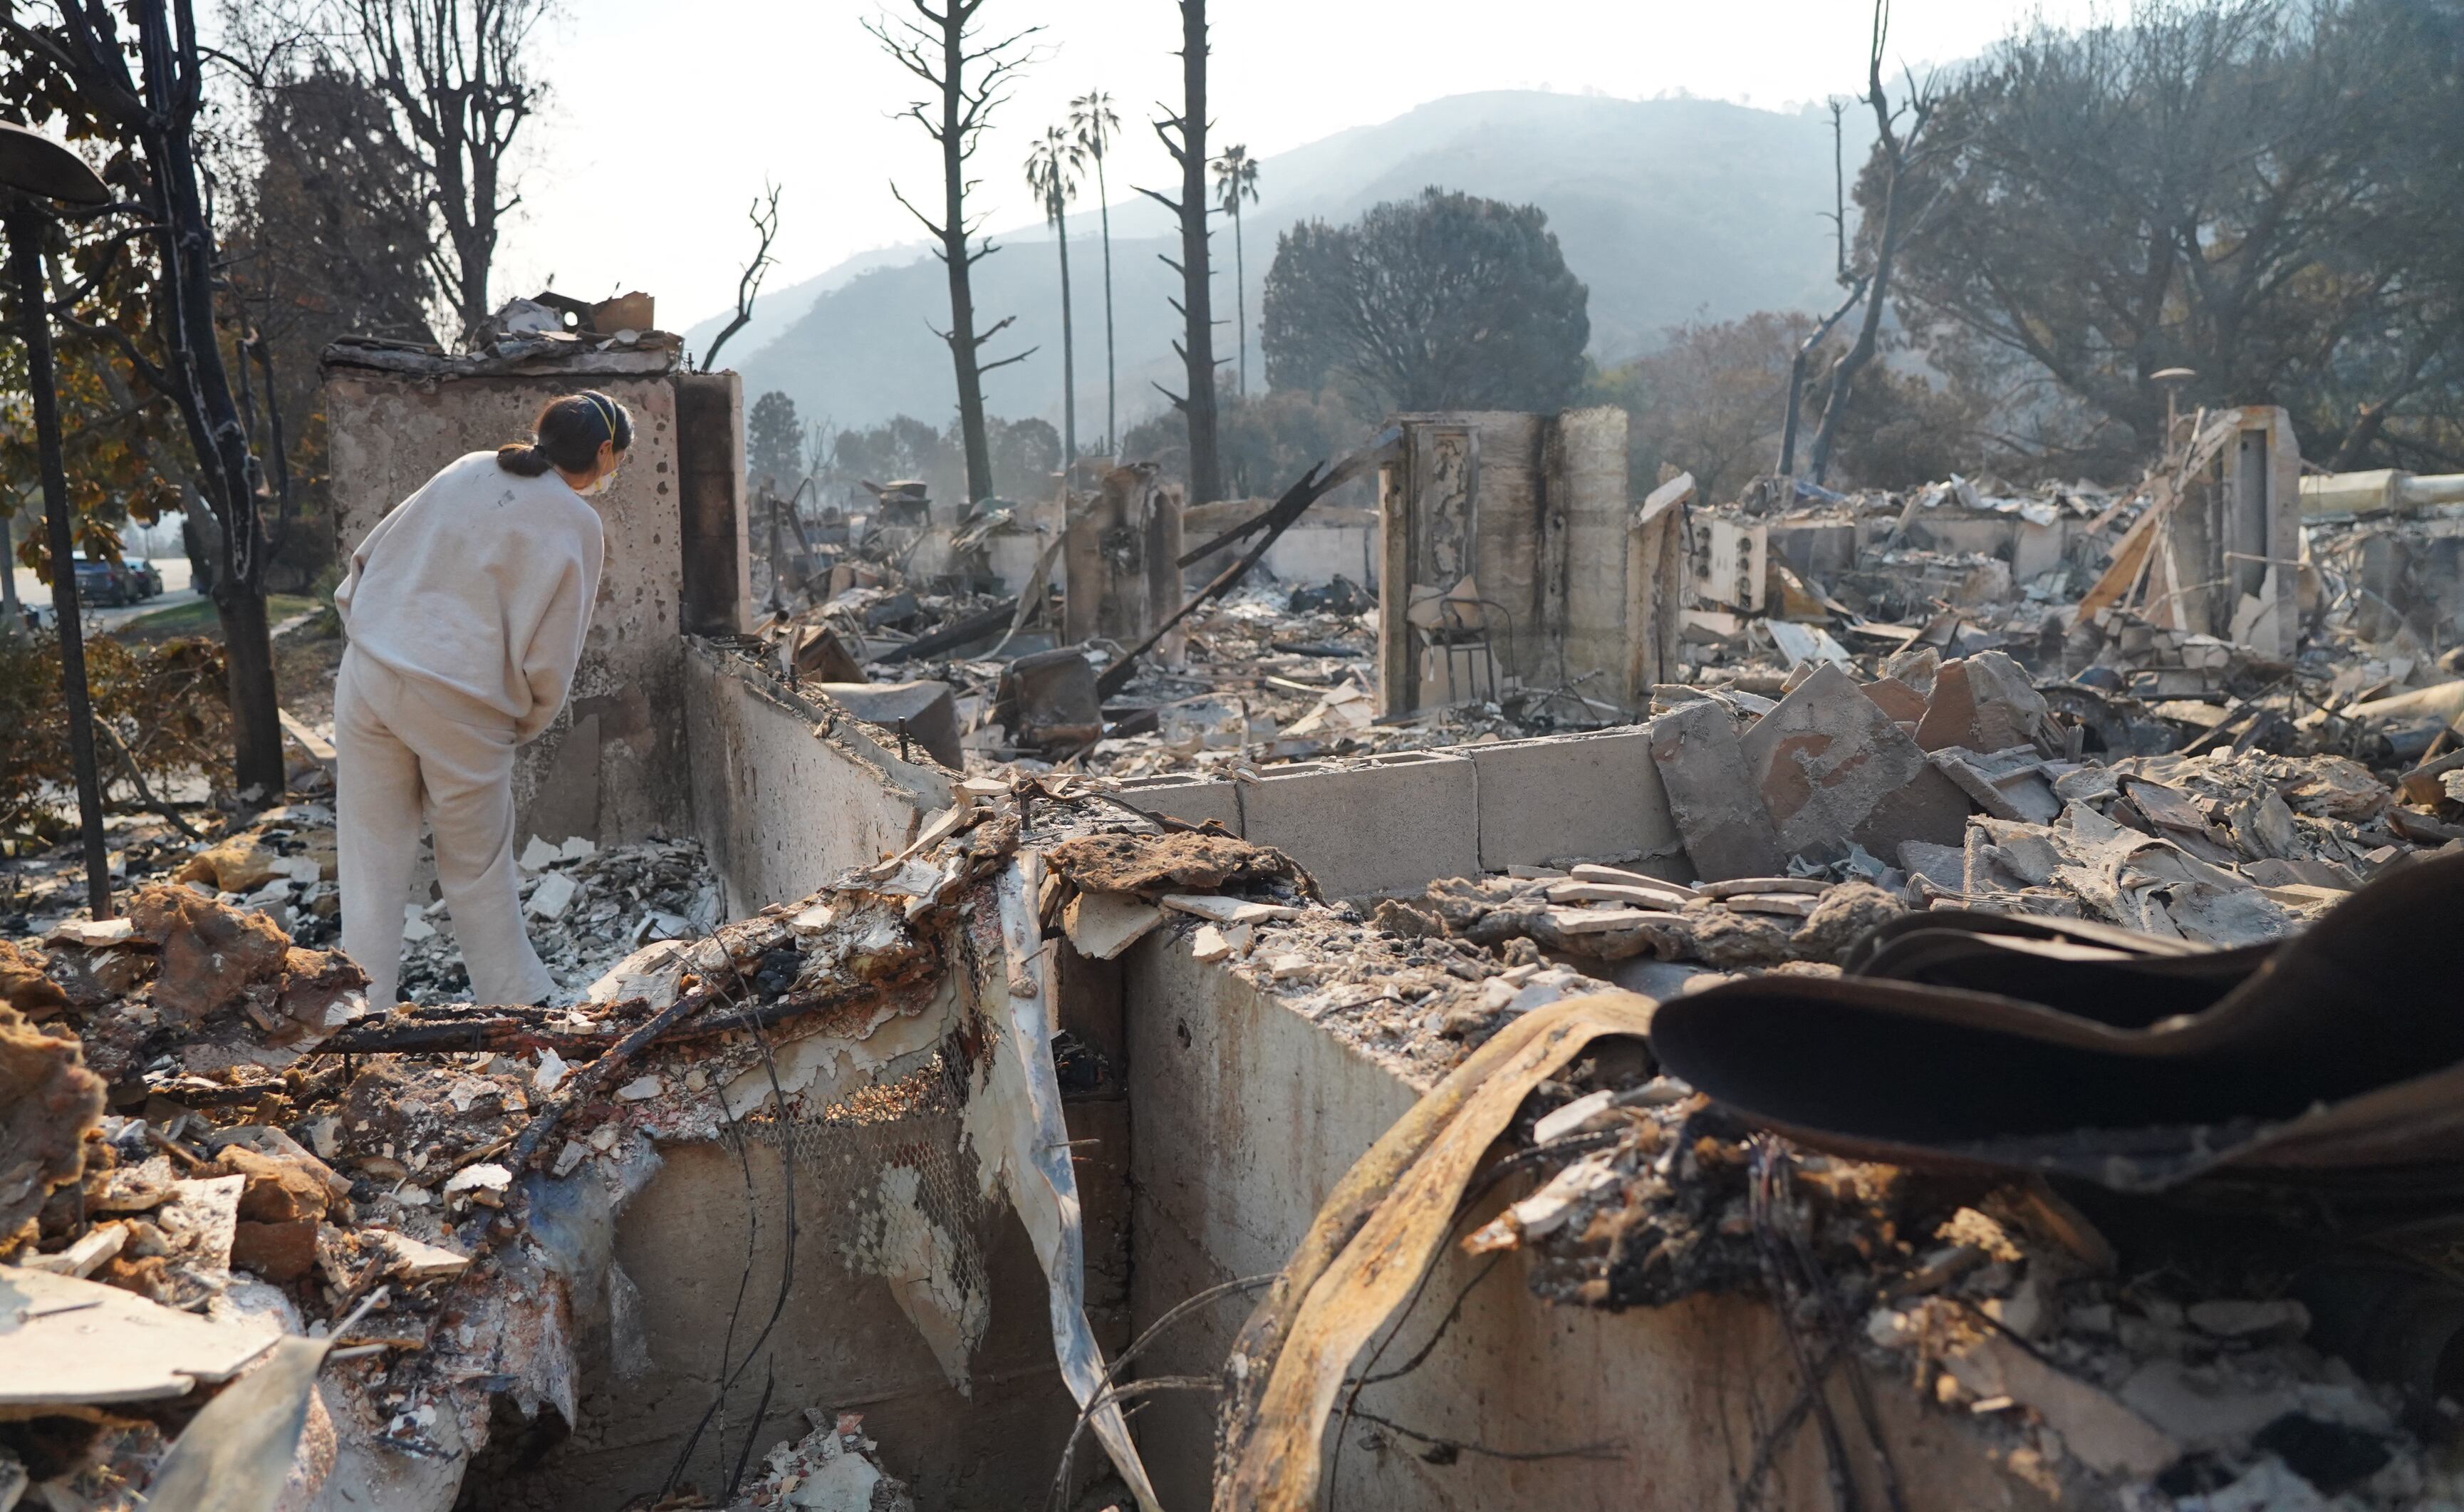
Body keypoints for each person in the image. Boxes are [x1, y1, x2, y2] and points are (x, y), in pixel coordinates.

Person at [333, 391, 625, 1008]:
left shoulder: (465, 468)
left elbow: (367, 558)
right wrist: (514, 725)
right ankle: (519, 1007)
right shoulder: (577, 524)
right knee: (476, 873)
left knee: (370, 861)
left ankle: (355, 1012)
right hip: (463, 705)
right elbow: (552, 657)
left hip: (369, 670)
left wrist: (370, 637)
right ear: (603, 453)